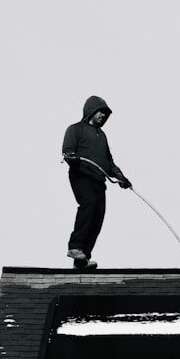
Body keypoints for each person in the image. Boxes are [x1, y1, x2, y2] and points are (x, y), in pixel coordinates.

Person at [62, 95, 132, 269]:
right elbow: (68, 150)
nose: (103, 115)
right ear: (91, 111)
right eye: (100, 112)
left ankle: (82, 258)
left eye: (105, 113)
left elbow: (109, 162)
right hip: (82, 174)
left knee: (98, 215)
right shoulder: (75, 129)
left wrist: (121, 177)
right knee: (90, 204)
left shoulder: (102, 136)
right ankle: (75, 247)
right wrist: (71, 157)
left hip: (99, 180)